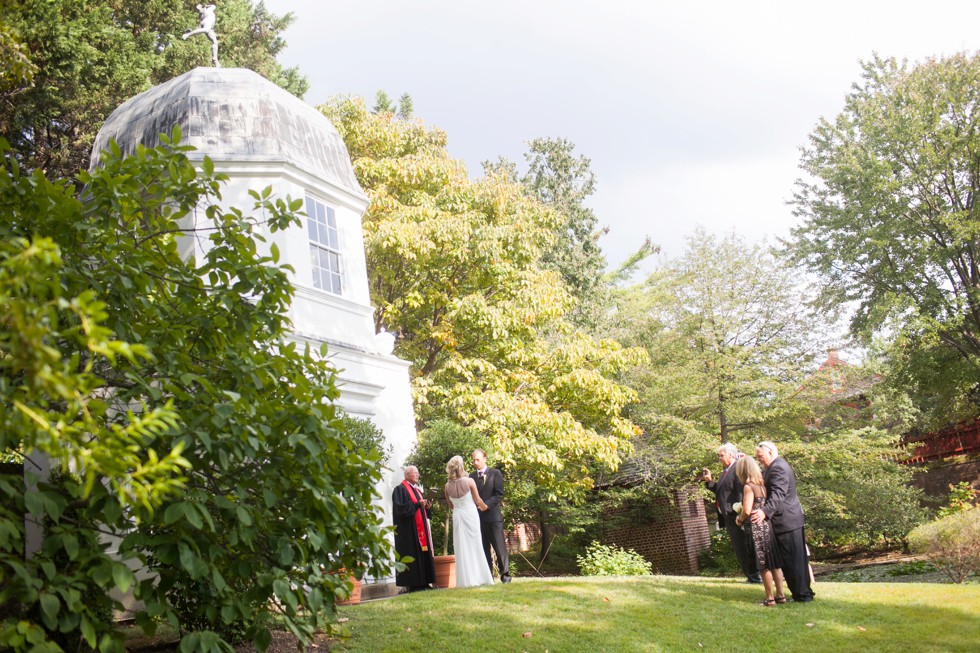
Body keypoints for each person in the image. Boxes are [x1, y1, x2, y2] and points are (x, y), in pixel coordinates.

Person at [751, 441, 815, 602]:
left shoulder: (778, 467)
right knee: (794, 560)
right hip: (789, 520)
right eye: (758, 458)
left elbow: (778, 495)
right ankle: (802, 592)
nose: (760, 460)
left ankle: (802, 595)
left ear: (771, 453)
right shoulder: (774, 467)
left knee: (793, 560)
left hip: (787, 521)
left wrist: (764, 512)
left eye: (761, 457)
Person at [702, 443, 762, 584]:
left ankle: (754, 576)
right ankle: (750, 576)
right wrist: (710, 482)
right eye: (719, 456)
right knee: (739, 547)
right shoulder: (726, 471)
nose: (720, 458)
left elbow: (742, 493)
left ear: (731, 455)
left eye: (722, 455)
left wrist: (741, 515)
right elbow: (723, 492)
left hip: (737, 516)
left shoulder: (737, 469)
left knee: (745, 547)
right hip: (728, 517)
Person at [733, 456, 786, 606]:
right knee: (774, 563)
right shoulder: (762, 485)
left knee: (763, 565)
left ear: (742, 470)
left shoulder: (749, 486)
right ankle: (781, 595)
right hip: (766, 526)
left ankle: (769, 598)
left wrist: (740, 519)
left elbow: (747, 510)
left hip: (756, 528)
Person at [444, 456, 494, 588]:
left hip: (458, 515)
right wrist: (485, 507)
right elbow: (477, 500)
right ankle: (481, 577)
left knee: (461, 546)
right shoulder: (469, 481)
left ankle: (465, 580)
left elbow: (451, 505)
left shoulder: (447, 486)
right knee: (475, 544)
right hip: (470, 514)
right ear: (461, 467)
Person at [392, 465, 436, 592]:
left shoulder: (417, 491)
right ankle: (414, 584)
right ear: (407, 475)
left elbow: (421, 511)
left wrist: (426, 507)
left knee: (422, 554)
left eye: (418, 473)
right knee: (412, 554)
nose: (418, 475)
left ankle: (424, 581)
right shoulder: (400, 490)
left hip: (420, 530)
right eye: (415, 473)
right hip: (408, 532)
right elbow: (401, 510)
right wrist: (417, 505)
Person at [470, 449, 511, 583]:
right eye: (474, 460)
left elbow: (499, 494)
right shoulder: (471, 477)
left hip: (493, 517)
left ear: (485, 458)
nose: (476, 462)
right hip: (478, 519)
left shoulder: (495, 473)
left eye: (478, 459)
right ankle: (488, 577)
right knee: (483, 548)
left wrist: (486, 505)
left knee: (499, 547)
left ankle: (505, 575)